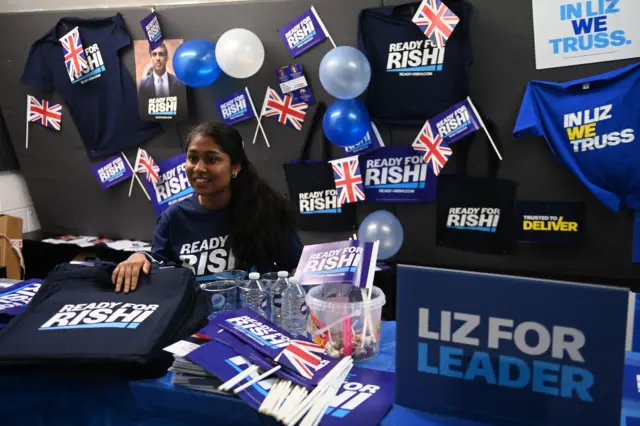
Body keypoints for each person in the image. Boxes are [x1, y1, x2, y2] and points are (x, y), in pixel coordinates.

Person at [112, 122, 303, 293]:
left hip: (249, 322)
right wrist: (140, 257)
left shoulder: (267, 212)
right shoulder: (173, 219)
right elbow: (161, 275)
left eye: (212, 160)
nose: (199, 168)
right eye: (193, 159)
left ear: (235, 166)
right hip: (193, 325)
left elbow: (299, 270)